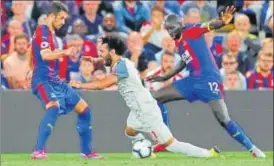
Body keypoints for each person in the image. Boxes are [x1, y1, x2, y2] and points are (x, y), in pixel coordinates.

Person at [70, 35, 221, 158]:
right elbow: (107, 61)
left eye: (102, 51)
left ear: (113, 52)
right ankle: (146, 149)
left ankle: (209, 154)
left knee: (172, 144)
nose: (100, 54)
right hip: (137, 109)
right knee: (130, 131)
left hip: (146, 110)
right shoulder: (121, 62)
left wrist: (80, 85)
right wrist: (97, 60)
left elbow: (100, 85)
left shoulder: (122, 67)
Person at [147, 7, 265, 158]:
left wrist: (221, 22)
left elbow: (209, 25)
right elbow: (183, 63)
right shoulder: (179, 44)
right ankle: (166, 142)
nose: (170, 33)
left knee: (223, 119)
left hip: (209, 79)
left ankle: (253, 149)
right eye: (168, 30)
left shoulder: (191, 30)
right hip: (191, 81)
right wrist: (164, 77)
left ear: (179, 25)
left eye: (172, 29)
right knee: (155, 97)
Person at [29, 2, 103, 160]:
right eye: (61, 18)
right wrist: (65, 52)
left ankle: (87, 152)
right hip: (43, 80)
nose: (63, 22)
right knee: (53, 107)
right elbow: (45, 55)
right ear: (51, 16)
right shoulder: (43, 30)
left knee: (85, 110)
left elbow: (33, 50)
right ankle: (38, 151)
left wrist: (31, 66)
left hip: (54, 80)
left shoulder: (48, 32)